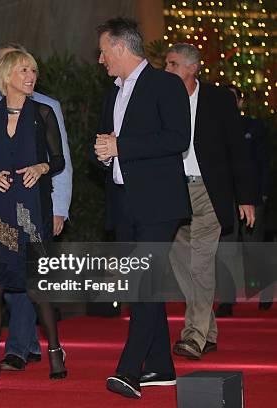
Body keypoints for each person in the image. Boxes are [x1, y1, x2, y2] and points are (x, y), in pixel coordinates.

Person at [0, 42, 72, 371]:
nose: (31, 75)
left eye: (33, 70)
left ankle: (54, 351)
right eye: (24, 69)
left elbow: (60, 159)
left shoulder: (43, 113)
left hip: (32, 211)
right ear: (6, 75)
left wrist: (41, 168)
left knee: (35, 285)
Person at [92, 18, 191, 398]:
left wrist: (121, 147)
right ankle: (161, 367)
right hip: (124, 203)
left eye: (103, 50)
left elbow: (177, 138)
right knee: (142, 287)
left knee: (144, 283)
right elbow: (109, 144)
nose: (100, 59)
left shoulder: (164, 84)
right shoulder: (112, 95)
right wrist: (103, 154)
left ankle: (129, 370)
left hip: (158, 204)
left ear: (120, 47)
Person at [164, 44, 256, 361]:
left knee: (201, 263)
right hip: (172, 191)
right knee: (180, 262)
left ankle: (194, 335)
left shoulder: (218, 100)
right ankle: (209, 329)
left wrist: (246, 197)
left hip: (209, 191)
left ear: (193, 68)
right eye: (167, 64)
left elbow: (237, 150)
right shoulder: (162, 98)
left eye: (173, 64)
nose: (167, 69)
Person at [215, 86, 272, 316]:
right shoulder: (214, 129)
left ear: (240, 103)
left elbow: (262, 162)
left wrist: (263, 192)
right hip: (225, 197)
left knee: (253, 246)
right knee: (225, 248)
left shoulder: (254, 126)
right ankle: (226, 300)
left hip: (251, 196)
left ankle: (265, 291)